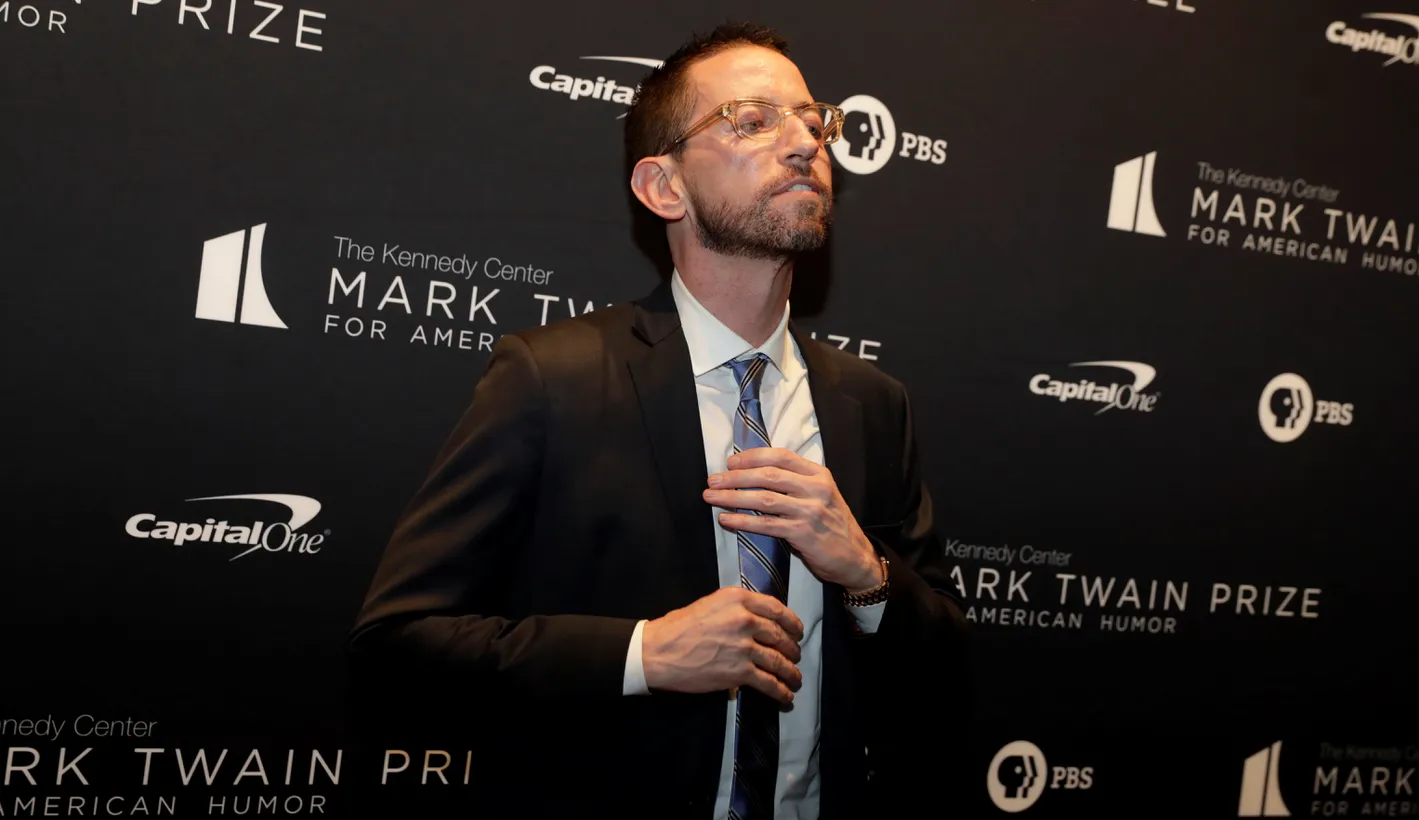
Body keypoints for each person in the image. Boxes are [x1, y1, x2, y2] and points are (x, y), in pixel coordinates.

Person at [348, 22, 971, 820]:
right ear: (663, 187)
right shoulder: (552, 377)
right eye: (753, 119)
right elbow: (397, 648)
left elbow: (948, 675)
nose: (803, 143)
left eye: (815, 122)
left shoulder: (873, 404)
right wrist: (647, 654)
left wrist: (865, 575)